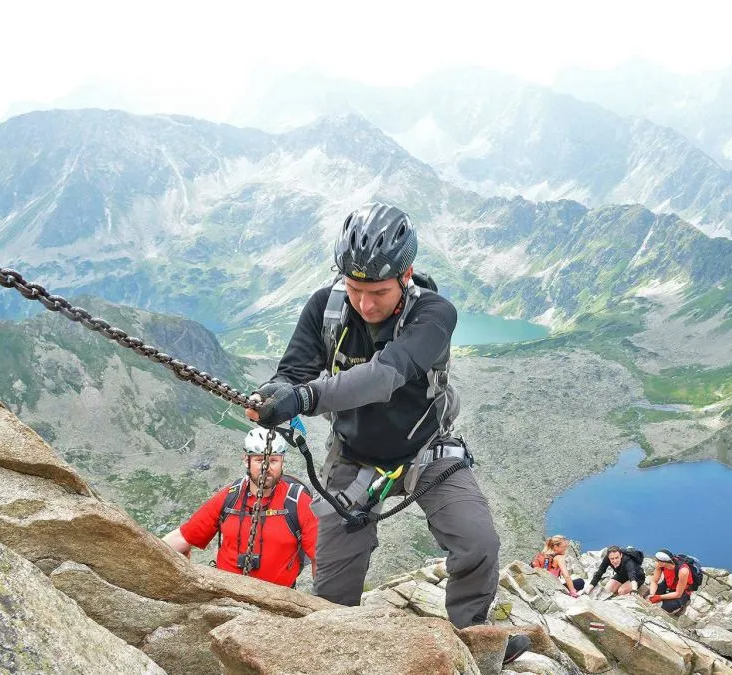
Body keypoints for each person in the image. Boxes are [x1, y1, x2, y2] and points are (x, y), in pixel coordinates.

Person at [245, 202, 528, 664]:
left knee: (477, 543)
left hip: (427, 452)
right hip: (353, 457)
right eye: (355, 289)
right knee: (332, 593)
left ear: (406, 273)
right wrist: (274, 395)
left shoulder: (434, 314)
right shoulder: (325, 307)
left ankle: (476, 636)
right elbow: (293, 371)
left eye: (377, 291)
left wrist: (305, 399)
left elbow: (385, 376)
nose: (365, 304)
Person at [162, 424, 318, 587]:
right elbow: (185, 536)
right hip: (226, 593)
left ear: (282, 462)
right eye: (259, 460)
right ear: (246, 460)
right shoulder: (230, 496)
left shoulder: (298, 502)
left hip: (278, 601)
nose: (266, 468)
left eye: (273, 460)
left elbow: (319, 560)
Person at [648, 549, 695, 613]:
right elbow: (654, 581)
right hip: (668, 584)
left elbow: (678, 594)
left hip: (682, 592)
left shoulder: (683, 571)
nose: (657, 562)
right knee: (648, 595)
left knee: (666, 608)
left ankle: (681, 606)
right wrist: (652, 594)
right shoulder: (660, 565)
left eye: (658, 561)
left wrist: (659, 597)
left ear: (663, 562)